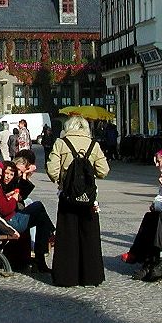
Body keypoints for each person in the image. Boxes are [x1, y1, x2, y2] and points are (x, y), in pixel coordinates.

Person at [46, 115, 109, 287]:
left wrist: (62, 180)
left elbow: (52, 170)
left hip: (68, 195)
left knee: (67, 235)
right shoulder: (93, 145)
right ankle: (91, 276)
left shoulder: (61, 143)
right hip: (88, 197)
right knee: (90, 235)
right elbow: (104, 171)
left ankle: (67, 277)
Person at [0, 158, 55, 272]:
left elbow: (22, 193)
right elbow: (4, 210)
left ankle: (40, 258)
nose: (4, 176)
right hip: (8, 222)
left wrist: (8, 196)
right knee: (38, 206)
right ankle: (41, 257)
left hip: (6, 220)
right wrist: (12, 199)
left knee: (40, 216)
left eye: (11, 174)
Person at [120, 146, 162, 264]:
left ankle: (139, 255)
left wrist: (157, 204)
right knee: (149, 217)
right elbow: (161, 198)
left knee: (151, 220)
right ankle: (136, 253)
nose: (157, 165)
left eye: (159, 161)